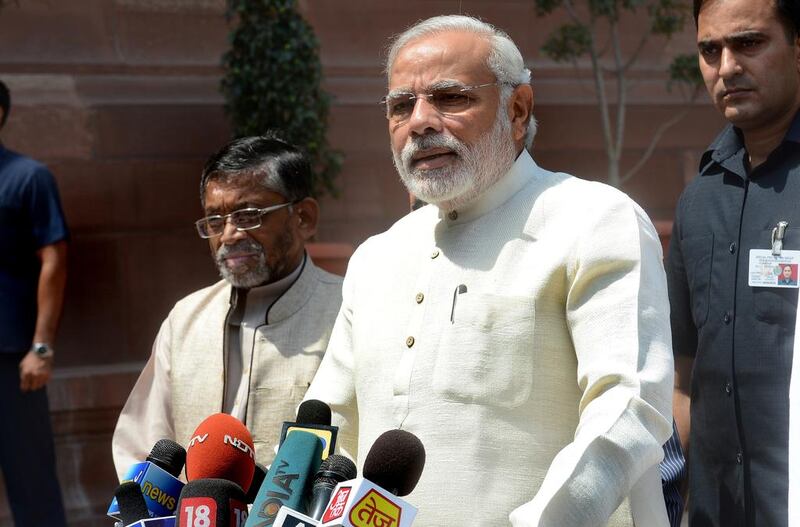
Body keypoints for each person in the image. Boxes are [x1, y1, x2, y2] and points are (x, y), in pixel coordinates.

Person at [305, 15, 674, 526]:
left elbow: (630, 406)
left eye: (450, 98)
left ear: (517, 109)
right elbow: (329, 423)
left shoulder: (592, 219)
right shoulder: (377, 257)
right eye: (401, 105)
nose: (420, 121)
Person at [112, 135, 343, 476]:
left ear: (304, 218)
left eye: (249, 216)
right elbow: (143, 447)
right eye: (215, 222)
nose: (230, 235)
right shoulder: (186, 320)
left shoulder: (348, 310)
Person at [667, 0, 800, 525]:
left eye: (748, 43)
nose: (726, 68)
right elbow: (683, 376)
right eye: (709, 50)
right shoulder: (698, 199)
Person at [0, 80, 69, 526]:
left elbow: (55, 261)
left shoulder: (28, 177)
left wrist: (41, 347)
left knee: (32, 485)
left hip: (13, 361)